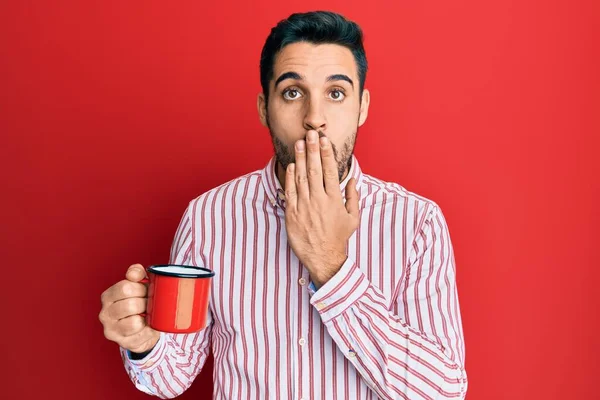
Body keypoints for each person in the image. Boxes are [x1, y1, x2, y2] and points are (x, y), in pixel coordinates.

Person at [99, 10, 468, 400]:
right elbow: (170, 377)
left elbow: (443, 393)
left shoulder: (416, 224)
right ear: (264, 109)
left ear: (362, 108)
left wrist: (331, 267)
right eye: (293, 92)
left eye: (336, 93)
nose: (314, 118)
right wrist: (142, 341)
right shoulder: (208, 217)